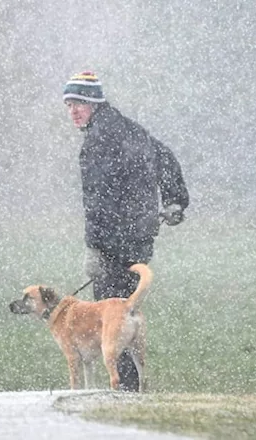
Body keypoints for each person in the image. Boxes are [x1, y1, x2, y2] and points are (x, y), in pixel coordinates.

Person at [62, 70, 189, 392]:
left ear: (94, 103)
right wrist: (175, 201)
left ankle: (123, 392)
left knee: (109, 319)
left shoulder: (97, 141)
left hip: (113, 243)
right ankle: (132, 388)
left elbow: (97, 200)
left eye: (78, 103)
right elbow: (166, 158)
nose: (73, 112)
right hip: (140, 236)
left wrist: (94, 248)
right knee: (125, 310)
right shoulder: (130, 129)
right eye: (69, 105)